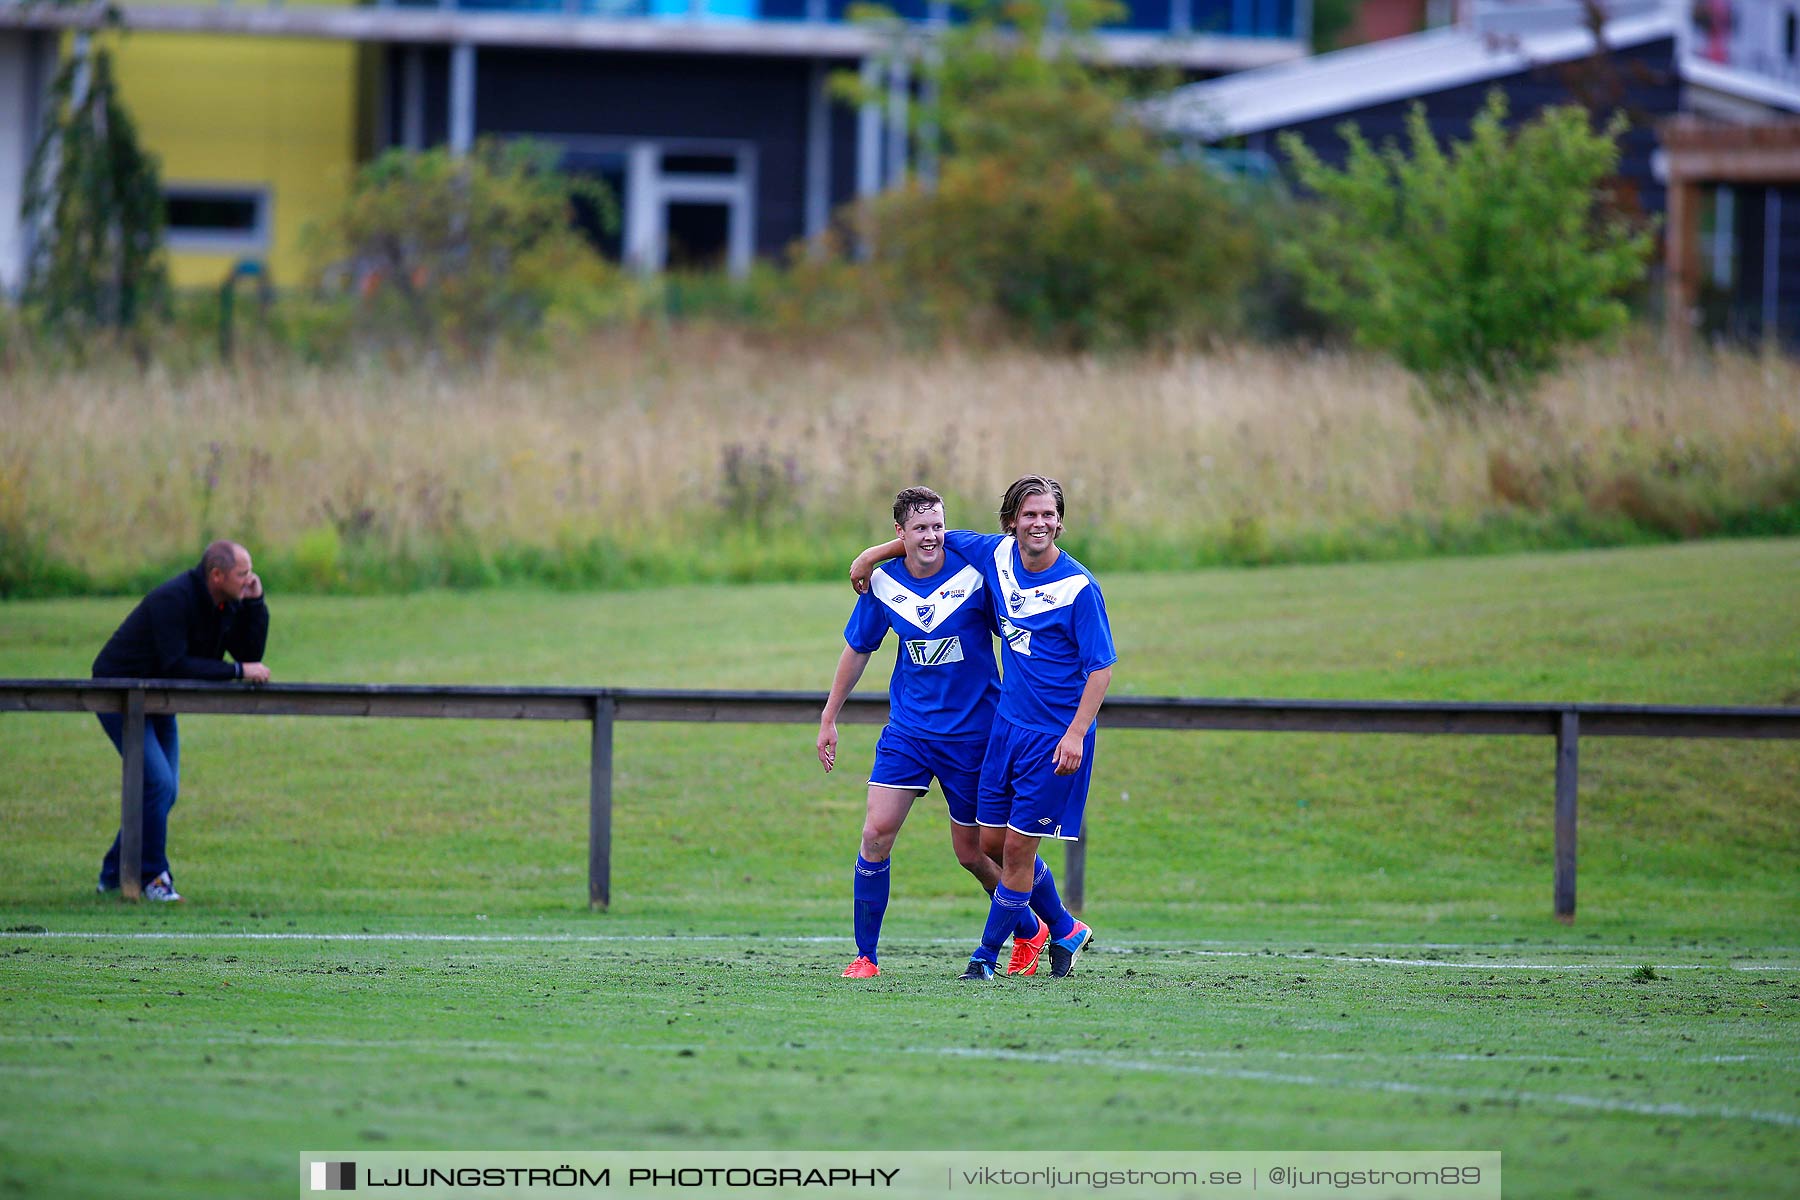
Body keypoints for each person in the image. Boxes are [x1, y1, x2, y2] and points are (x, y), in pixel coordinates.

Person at [852, 475, 1114, 980]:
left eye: (1049, 515)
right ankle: (1063, 926)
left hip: (1053, 736)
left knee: (1012, 850)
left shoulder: (1079, 588)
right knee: (987, 847)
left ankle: (985, 957)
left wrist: (1077, 732)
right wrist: (872, 556)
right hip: (1004, 730)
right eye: (1029, 515)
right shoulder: (995, 555)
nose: (1040, 523)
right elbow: (933, 537)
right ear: (1011, 522)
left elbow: (1101, 668)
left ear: (1060, 521)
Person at [818, 487, 1025, 978]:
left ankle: (1039, 926)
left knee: (978, 852)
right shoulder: (885, 583)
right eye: (920, 528)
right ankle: (866, 956)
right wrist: (829, 716)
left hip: (975, 735)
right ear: (900, 534)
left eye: (937, 526)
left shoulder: (977, 575)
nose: (931, 536)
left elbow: (1020, 628)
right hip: (909, 734)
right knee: (875, 833)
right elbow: (857, 648)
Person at [91, 540, 271, 902]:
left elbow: (249, 654)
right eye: (243, 574)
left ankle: (113, 872)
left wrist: (256, 604)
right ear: (217, 575)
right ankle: (154, 878)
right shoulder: (173, 600)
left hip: (158, 699)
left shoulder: (225, 603)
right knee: (157, 783)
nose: (249, 578)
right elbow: (178, 664)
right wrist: (237, 671)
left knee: (163, 788)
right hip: (120, 693)